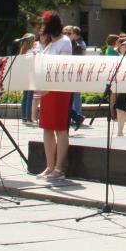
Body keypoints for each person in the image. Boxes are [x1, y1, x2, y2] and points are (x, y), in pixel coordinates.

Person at [37, 12, 73, 180]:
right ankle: (49, 166)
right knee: (47, 128)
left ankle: (59, 168)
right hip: (46, 90)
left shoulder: (64, 42)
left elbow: (62, 67)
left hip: (59, 89)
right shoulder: (48, 45)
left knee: (60, 128)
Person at [65, 26, 86, 130]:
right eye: (65, 33)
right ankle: (76, 117)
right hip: (64, 76)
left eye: (69, 33)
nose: (67, 35)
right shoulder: (64, 44)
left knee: (74, 97)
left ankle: (76, 117)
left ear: (74, 35)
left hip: (73, 76)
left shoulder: (77, 46)